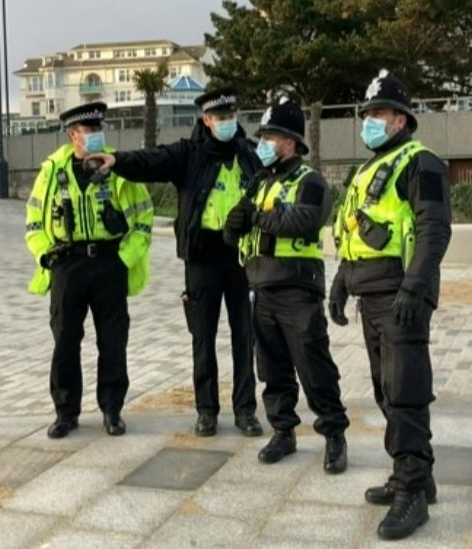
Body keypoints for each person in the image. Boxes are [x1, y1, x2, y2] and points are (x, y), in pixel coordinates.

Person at [88, 88, 263, 438]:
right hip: (202, 256)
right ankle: (207, 410)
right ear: (206, 120)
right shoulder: (190, 154)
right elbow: (151, 161)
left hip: (241, 256)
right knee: (203, 336)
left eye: (232, 116)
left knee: (245, 335)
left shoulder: (250, 154)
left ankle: (245, 410)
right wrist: (117, 161)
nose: (227, 123)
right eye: (220, 118)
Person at [329, 70, 452, 540]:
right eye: (366, 114)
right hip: (370, 292)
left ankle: (412, 493)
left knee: (405, 391)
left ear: (400, 119)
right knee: (386, 390)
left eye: (377, 113)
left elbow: (434, 230)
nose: (369, 121)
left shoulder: (423, 164)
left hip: (402, 294)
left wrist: (414, 288)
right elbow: (354, 234)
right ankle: (417, 473)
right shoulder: (365, 171)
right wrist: (341, 281)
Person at [224, 97, 350, 473]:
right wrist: (240, 222)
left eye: (271, 137)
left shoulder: (310, 182)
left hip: (297, 289)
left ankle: (334, 434)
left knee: (314, 366)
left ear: (291, 143)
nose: (263, 143)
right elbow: (235, 230)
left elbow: (303, 222)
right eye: (262, 136)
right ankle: (283, 430)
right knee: (272, 368)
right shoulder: (260, 183)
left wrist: (260, 217)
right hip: (259, 288)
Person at [24, 101, 154, 439]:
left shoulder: (118, 166)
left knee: (113, 340)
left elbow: (144, 219)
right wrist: (44, 255)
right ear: (73, 135)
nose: (96, 135)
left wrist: (126, 259)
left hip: (111, 261)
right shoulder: (52, 171)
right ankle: (66, 412)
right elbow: (34, 221)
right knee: (65, 339)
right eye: (89, 130)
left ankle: (112, 410)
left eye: (99, 129)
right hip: (67, 263)